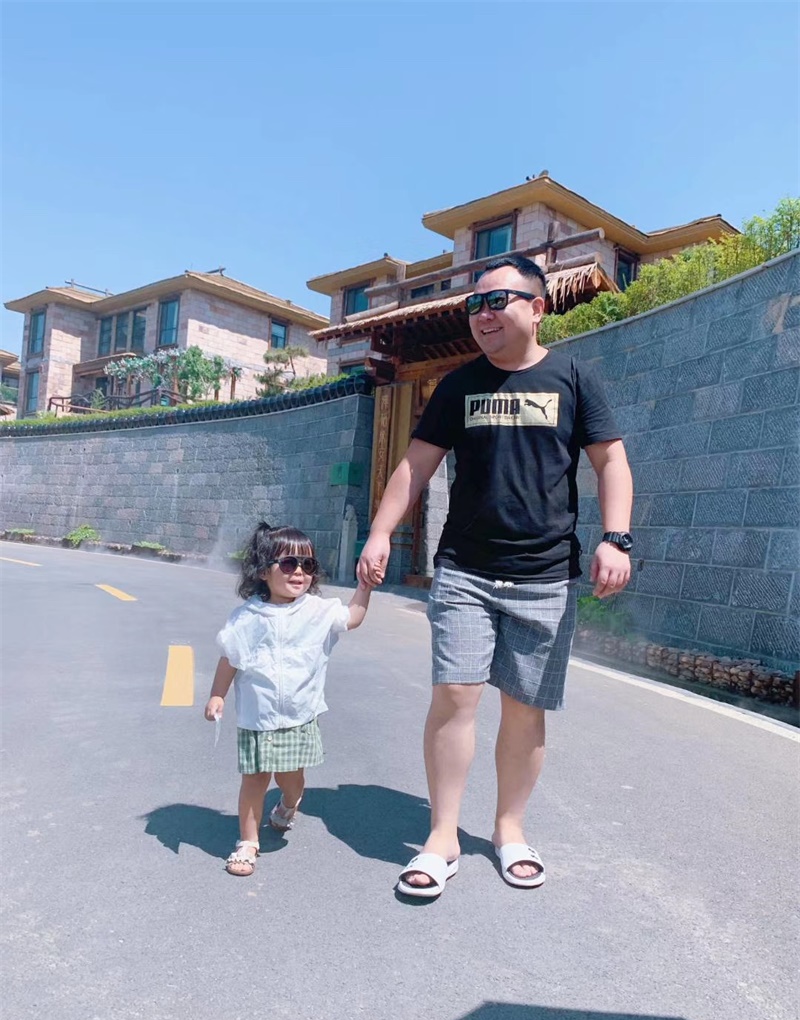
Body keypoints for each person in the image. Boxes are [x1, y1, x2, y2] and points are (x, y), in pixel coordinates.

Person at [358, 254, 633, 898]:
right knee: (455, 697)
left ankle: (510, 828)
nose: (481, 314)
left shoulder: (574, 379)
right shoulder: (459, 385)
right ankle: (441, 837)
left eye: (496, 301)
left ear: (536, 308)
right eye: (473, 305)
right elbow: (415, 466)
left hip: (546, 574)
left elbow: (611, 461)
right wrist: (380, 532)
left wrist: (616, 537)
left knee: (525, 709)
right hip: (465, 570)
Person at [205, 522, 372, 876]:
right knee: (254, 779)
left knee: (290, 778)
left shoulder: (318, 611)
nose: (299, 572)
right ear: (263, 571)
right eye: (288, 563)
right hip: (257, 716)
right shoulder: (246, 617)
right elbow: (230, 657)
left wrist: (365, 585)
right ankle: (248, 842)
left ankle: (291, 802)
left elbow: (353, 617)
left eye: (307, 565)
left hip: (299, 715)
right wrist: (218, 694)